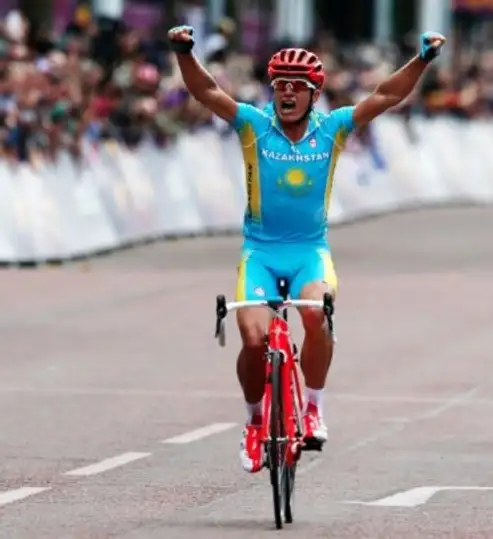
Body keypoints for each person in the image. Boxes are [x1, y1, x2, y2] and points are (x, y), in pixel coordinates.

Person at [167, 26, 446, 473]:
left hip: (309, 252)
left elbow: (386, 95)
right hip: (259, 253)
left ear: (315, 94)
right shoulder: (254, 125)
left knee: (317, 315)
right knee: (255, 339)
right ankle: (256, 421)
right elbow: (206, 91)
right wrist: (184, 52)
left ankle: (313, 406)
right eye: (281, 87)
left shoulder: (333, 128)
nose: (288, 94)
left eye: (299, 87)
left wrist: (423, 60)